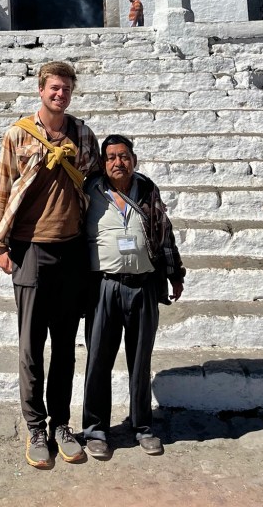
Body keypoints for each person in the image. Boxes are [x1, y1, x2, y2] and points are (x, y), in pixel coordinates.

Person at [0, 61, 101, 469]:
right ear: (41, 90)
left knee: (65, 347)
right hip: (30, 249)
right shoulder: (18, 134)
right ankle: (36, 427)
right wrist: (0, 244)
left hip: (71, 250)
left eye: (66, 89)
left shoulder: (83, 134)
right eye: (54, 88)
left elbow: (95, 183)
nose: (60, 94)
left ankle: (61, 425)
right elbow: (3, 187)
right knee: (31, 346)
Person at [82, 134, 184, 460]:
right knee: (98, 360)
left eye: (124, 156)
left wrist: (175, 273)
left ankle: (142, 426)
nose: (118, 162)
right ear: (103, 163)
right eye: (111, 157)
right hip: (104, 287)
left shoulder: (147, 189)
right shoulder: (90, 191)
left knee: (140, 362)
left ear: (134, 160)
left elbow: (163, 233)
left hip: (143, 286)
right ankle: (96, 429)